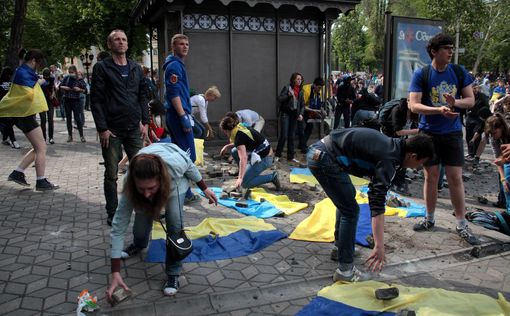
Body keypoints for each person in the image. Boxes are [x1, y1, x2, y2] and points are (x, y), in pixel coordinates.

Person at [307, 128, 434, 280]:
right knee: (351, 210)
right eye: (420, 164)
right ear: (413, 155)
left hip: (322, 153)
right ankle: (345, 271)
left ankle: (340, 247)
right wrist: (379, 246)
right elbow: (377, 203)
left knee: (348, 200)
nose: (417, 169)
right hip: (323, 158)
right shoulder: (389, 159)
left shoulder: (393, 147)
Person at [106, 143, 218, 298]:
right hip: (149, 170)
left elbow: (189, 166)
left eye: (151, 188)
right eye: (141, 189)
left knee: (174, 224)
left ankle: (173, 273)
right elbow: (118, 226)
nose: (146, 194)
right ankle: (139, 244)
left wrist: (205, 188)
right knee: (141, 225)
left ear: (160, 179)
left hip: (175, 186)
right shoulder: (130, 183)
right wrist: (115, 272)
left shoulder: (174, 166)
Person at [408, 33, 479, 245]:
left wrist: (454, 103)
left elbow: (471, 101)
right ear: (434, 51)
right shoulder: (422, 73)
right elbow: (413, 105)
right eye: (447, 48)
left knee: (455, 178)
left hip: (453, 133)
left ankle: (461, 224)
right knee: (431, 176)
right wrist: (438, 109)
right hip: (428, 132)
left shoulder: (458, 72)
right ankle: (429, 218)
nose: (451, 52)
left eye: (451, 49)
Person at [91, 29, 149, 226]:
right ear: (110, 44)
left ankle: (145, 207)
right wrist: (102, 128)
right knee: (111, 173)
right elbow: (96, 100)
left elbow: (142, 96)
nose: (121, 42)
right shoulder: (101, 68)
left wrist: (146, 122)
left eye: (124, 39)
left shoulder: (135, 67)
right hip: (112, 129)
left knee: (142, 169)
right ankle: (112, 212)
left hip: (134, 127)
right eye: (117, 39)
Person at [0, 49, 59, 190]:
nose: (38, 67)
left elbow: (32, 84)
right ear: (33, 60)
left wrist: (40, 81)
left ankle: (18, 173)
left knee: (38, 147)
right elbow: (28, 92)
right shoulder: (24, 72)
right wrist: (41, 82)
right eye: (37, 64)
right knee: (41, 147)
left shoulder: (23, 70)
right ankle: (41, 181)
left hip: (22, 115)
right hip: (24, 115)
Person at [162, 34, 198, 203]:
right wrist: (183, 115)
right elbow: (173, 93)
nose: (185, 47)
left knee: (179, 156)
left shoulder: (177, 64)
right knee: (188, 157)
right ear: (173, 47)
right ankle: (182, 193)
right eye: (181, 44)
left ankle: (181, 191)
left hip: (177, 114)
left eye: (187, 44)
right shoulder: (174, 66)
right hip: (178, 116)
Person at [219, 115, 281, 191]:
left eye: (224, 132)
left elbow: (243, 158)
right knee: (234, 151)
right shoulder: (240, 127)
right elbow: (243, 143)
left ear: (226, 130)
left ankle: (272, 177)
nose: (225, 134)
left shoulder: (239, 137)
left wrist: (240, 178)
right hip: (262, 152)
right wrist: (227, 146)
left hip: (265, 159)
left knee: (244, 184)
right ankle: (245, 173)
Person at [275, 72, 304, 163]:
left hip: (294, 115)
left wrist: (301, 114)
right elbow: (279, 98)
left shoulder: (301, 91)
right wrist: (288, 95)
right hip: (285, 114)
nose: (299, 81)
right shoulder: (287, 88)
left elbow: (302, 105)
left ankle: (290, 156)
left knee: (291, 136)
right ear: (294, 80)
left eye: (301, 79)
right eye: (298, 79)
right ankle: (278, 155)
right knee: (284, 135)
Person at [60, 65, 87, 142]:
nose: (70, 73)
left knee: (78, 119)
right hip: (67, 100)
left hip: (76, 101)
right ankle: (70, 136)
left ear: (75, 71)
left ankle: (81, 136)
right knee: (68, 119)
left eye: (72, 72)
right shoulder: (67, 78)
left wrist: (79, 89)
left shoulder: (79, 79)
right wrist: (66, 88)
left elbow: (85, 90)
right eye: (69, 72)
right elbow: (60, 86)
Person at [465, 82, 489, 162]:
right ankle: (470, 153)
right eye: (473, 88)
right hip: (469, 117)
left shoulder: (482, 96)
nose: (475, 90)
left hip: (478, 118)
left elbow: (486, 107)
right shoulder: (468, 95)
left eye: (476, 88)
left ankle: (475, 154)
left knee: (476, 135)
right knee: (468, 135)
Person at [302, 77, 325, 148]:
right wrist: (313, 110)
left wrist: (322, 111)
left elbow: (318, 104)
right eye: (318, 87)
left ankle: (303, 144)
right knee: (301, 128)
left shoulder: (318, 91)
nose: (319, 90)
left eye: (321, 88)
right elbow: (302, 106)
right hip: (301, 110)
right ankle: (303, 145)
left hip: (310, 110)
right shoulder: (306, 90)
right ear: (314, 85)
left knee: (310, 126)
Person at [0, 66, 20, 149]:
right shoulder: (11, 83)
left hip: (4, 105)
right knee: (9, 123)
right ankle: (13, 140)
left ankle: (6, 139)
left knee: (8, 123)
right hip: (7, 105)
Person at [40, 68, 56, 144]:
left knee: (50, 120)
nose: (46, 78)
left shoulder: (52, 79)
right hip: (42, 102)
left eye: (47, 76)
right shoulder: (40, 80)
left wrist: (52, 94)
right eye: (45, 76)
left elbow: (53, 88)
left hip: (50, 102)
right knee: (43, 121)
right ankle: (43, 138)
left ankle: (51, 137)